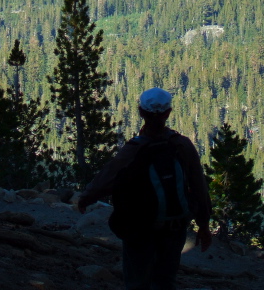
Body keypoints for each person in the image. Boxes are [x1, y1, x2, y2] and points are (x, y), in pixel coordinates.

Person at [78, 87, 212, 290]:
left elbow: (106, 179)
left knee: (137, 280)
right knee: (165, 281)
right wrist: (203, 225)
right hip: (175, 225)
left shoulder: (134, 149)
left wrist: (85, 198)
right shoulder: (182, 145)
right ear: (168, 112)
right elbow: (199, 186)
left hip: (139, 227)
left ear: (141, 112)